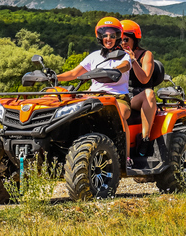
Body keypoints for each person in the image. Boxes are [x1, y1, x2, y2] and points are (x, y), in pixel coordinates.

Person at [57, 17, 133, 165]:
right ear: (100, 37)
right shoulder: (94, 56)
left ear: (119, 37)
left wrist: (111, 70)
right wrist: (53, 77)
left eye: (113, 35)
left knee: (120, 115)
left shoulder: (124, 56)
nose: (108, 38)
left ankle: (127, 157)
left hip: (117, 97)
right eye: (105, 35)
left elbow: (125, 66)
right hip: (93, 97)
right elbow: (74, 73)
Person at [120, 20, 157, 156]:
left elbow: (145, 78)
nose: (123, 43)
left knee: (149, 93)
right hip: (120, 94)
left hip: (138, 96)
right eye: (120, 39)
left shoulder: (146, 55)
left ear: (134, 39)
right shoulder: (115, 55)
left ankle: (145, 139)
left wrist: (133, 60)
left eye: (126, 39)